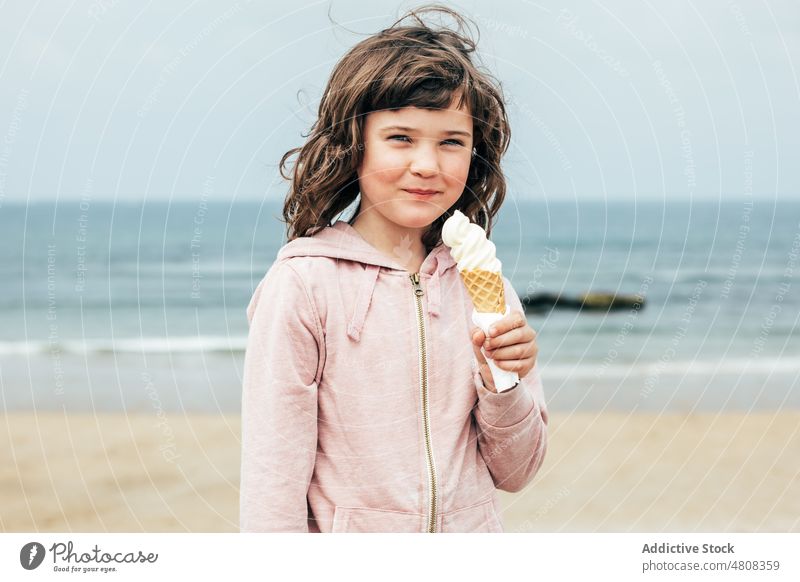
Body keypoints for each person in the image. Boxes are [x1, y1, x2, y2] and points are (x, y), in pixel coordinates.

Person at [240, 4, 548, 533]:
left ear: (474, 156)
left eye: (452, 142)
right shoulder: (303, 286)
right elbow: (273, 481)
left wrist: (503, 383)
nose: (427, 165)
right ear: (354, 144)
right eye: (401, 138)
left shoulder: (488, 290)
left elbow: (517, 471)